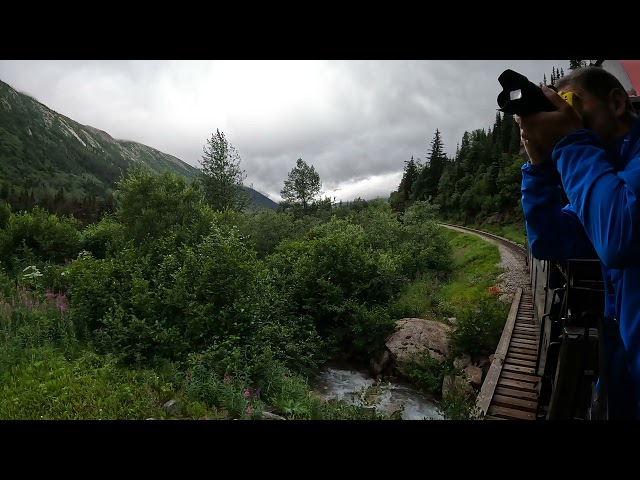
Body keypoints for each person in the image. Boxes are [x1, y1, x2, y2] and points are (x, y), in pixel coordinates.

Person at [517, 65, 640, 419]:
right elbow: (551, 241)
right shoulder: (607, 175)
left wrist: (571, 141)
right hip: (622, 371)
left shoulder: (610, 170)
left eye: (573, 104)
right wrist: (540, 167)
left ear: (616, 103)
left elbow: (618, 238)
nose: (567, 117)